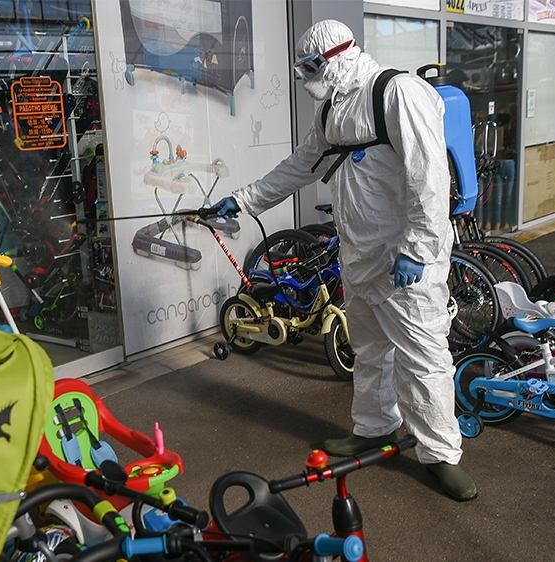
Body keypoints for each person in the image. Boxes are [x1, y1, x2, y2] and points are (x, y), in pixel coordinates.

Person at [211, 20, 476, 501]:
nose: (306, 76)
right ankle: (374, 427)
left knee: (423, 358)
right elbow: (301, 164)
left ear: (340, 55)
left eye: (311, 66)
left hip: (404, 259)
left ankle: (441, 455)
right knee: (370, 351)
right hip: (359, 254)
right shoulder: (334, 107)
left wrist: (416, 249)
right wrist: (244, 200)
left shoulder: (397, 93)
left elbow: (429, 178)